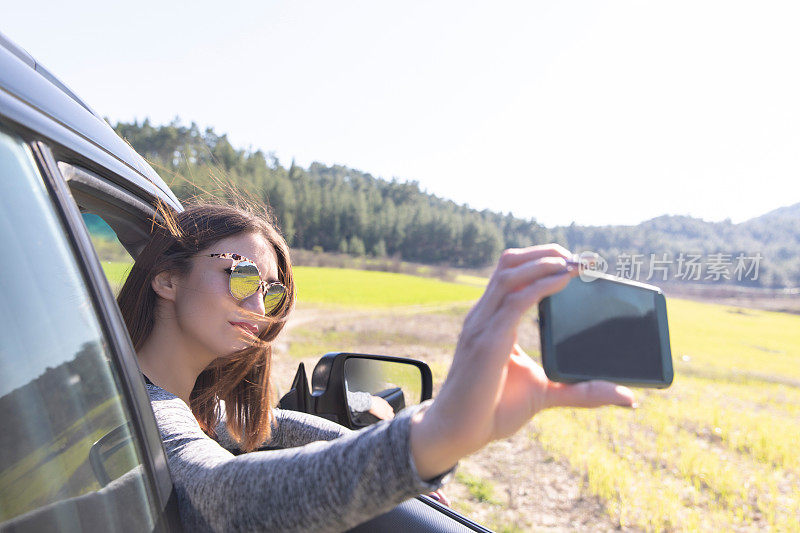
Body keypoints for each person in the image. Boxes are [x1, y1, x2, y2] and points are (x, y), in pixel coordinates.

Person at [116, 200, 635, 532]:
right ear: (167, 279)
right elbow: (224, 496)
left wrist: (368, 429)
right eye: (243, 277)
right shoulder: (138, 409)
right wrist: (435, 434)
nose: (259, 308)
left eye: (272, 294)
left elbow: (264, 425)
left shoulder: (183, 399)